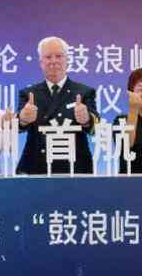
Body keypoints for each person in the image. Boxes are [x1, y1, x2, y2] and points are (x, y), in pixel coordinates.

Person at [16, 36, 99, 175]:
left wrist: (86, 120)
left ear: (67, 60)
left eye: (59, 56)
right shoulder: (28, 94)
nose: (53, 61)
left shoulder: (84, 92)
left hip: (75, 167)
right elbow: (17, 128)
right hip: (37, 166)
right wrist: (23, 119)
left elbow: (96, 129)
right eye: (48, 57)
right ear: (41, 63)